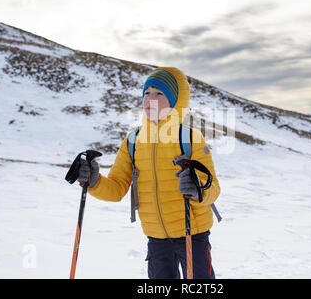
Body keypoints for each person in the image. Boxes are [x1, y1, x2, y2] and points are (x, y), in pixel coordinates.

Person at [77, 67, 220, 279]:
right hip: (156, 238)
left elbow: (213, 187)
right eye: (147, 93)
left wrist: (199, 189)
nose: (150, 99)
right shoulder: (133, 141)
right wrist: (94, 180)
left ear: (176, 100)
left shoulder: (190, 138)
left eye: (159, 93)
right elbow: (116, 189)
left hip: (193, 234)